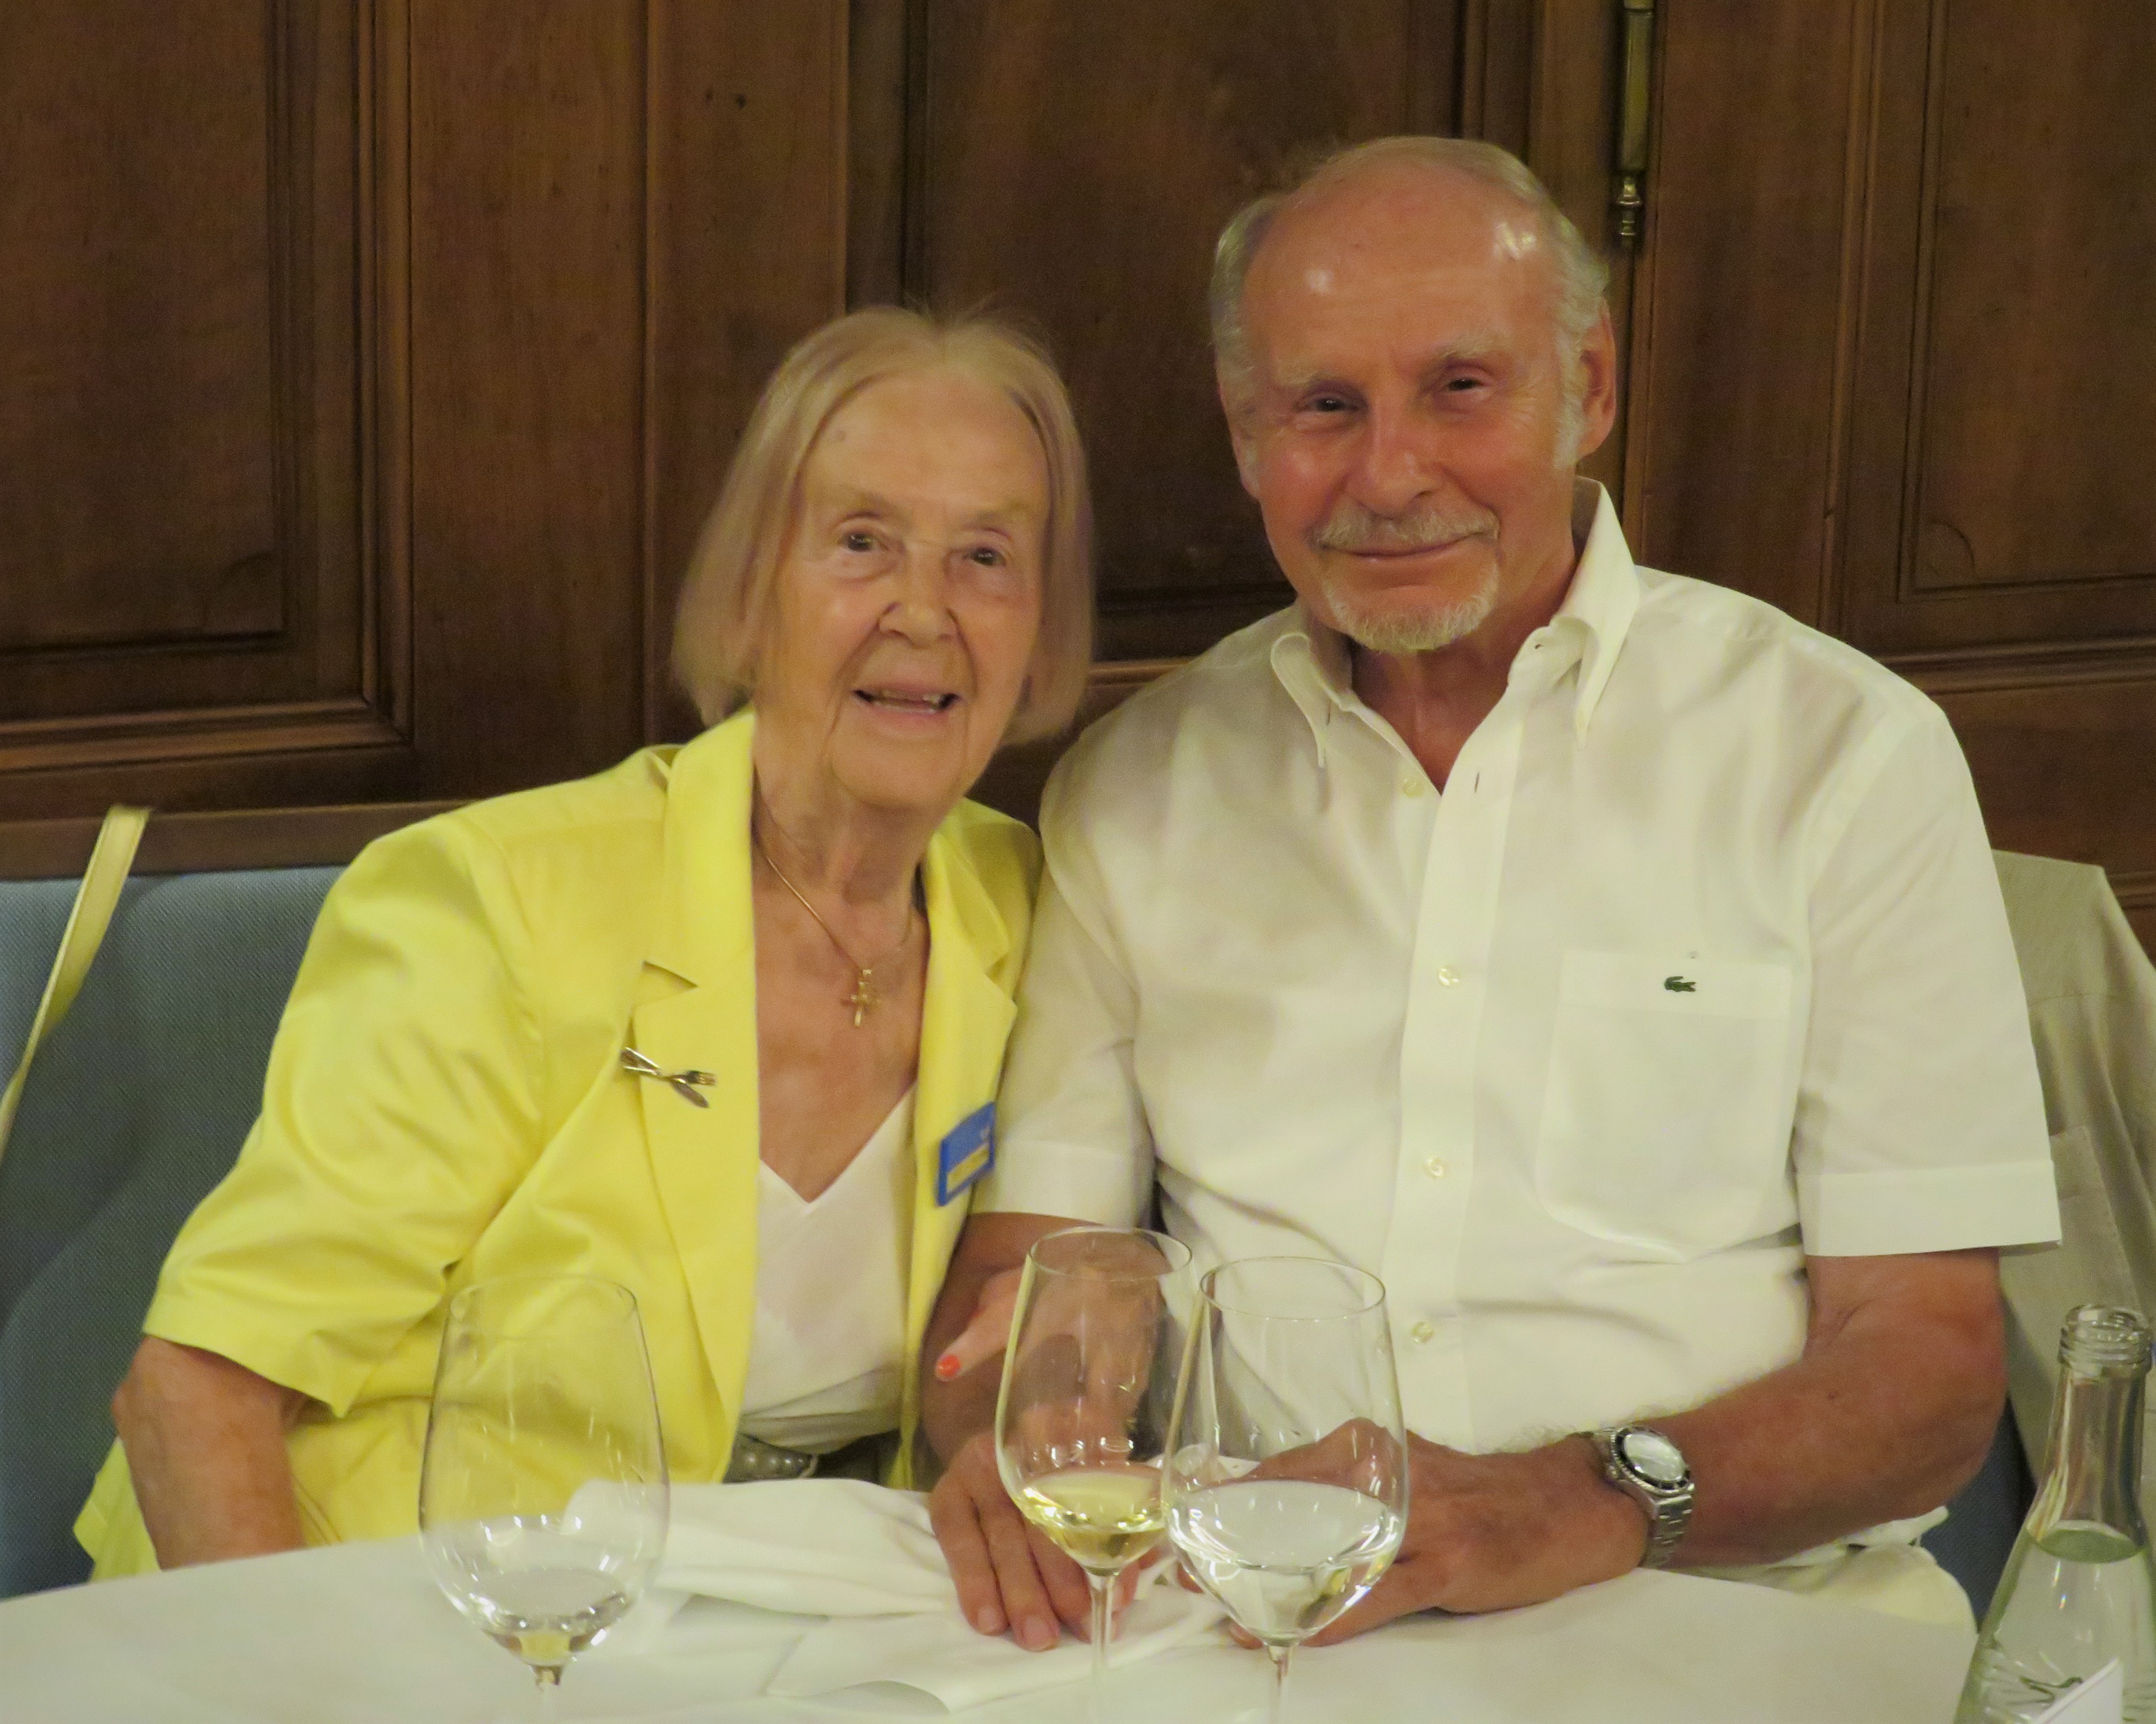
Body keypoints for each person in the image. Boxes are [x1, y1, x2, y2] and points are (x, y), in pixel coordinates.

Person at [920, 136, 2060, 1650]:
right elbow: (1036, 1281)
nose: (1389, 475)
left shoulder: (1841, 758)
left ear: (1590, 386)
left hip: (1725, 1606)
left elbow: (1927, 1370)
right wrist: (1038, 1419)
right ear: (1246, 435)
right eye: (1324, 406)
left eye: (1461, 388)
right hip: (1265, 1613)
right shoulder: (1139, 787)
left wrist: (1580, 1500)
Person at [76, 306, 1094, 1575]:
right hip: (398, 1601)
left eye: (986, 556)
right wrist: (303, 1673)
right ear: (751, 594)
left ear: (1040, 629)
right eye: (861, 542)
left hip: (777, 1616)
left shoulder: (1029, 910)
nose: (924, 612)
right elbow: (192, 1393)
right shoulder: (499, 905)